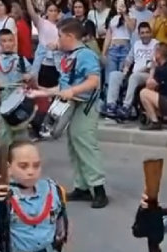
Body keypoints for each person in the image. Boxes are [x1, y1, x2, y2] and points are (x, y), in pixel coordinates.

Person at [48, 18, 108, 208]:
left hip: (86, 104)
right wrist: (42, 90)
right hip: (73, 103)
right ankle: (82, 186)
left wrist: (72, 91)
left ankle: (98, 189)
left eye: (60, 36)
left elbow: (93, 81)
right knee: (74, 143)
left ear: (70, 36)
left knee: (84, 141)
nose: (58, 40)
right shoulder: (70, 55)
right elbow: (66, 82)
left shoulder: (85, 55)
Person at [0, 27, 33, 146]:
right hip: (2, 96)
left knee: (20, 128)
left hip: (18, 97)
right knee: (4, 131)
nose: (7, 44)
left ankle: (21, 154)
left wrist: (27, 76)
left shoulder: (20, 60)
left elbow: (30, 74)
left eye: (10, 40)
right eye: (4, 41)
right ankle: (6, 156)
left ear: (14, 42)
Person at [106, 21, 157, 120]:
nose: (145, 35)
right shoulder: (137, 44)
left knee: (134, 76)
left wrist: (141, 70)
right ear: (139, 34)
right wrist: (125, 69)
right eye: (142, 33)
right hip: (134, 73)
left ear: (151, 33)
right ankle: (111, 105)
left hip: (148, 74)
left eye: (147, 32)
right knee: (114, 75)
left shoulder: (156, 44)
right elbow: (129, 59)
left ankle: (126, 106)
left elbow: (154, 63)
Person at [139, 41, 167, 130]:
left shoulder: (162, 69)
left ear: (158, 54)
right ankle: (160, 118)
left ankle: (155, 121)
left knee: (144, 93)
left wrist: (153, 67)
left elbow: (149, 85)